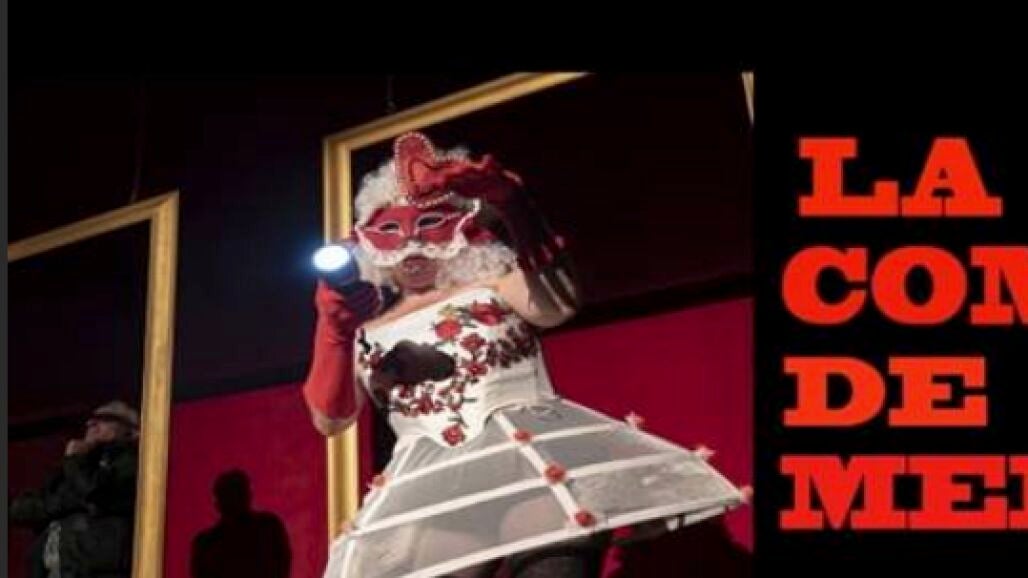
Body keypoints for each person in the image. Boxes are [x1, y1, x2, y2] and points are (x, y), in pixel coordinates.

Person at [302, 132, 748, 577]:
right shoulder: (364, 327)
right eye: (389, 230)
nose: (412, 244)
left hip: (530, 466)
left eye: (429, 225)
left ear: (464, 227)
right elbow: (330, 419)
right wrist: (333, 332)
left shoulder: (495, 285)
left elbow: (558, 303)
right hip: (437, 491)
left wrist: (514, 205)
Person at [10, 401, 140, 578]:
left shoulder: (131, 461)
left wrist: (75, 460)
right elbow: (22, 509)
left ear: (131, 430)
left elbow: (95, 493)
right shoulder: (78, 464)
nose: (91, 423)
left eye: (104, 418)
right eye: (91, 419)